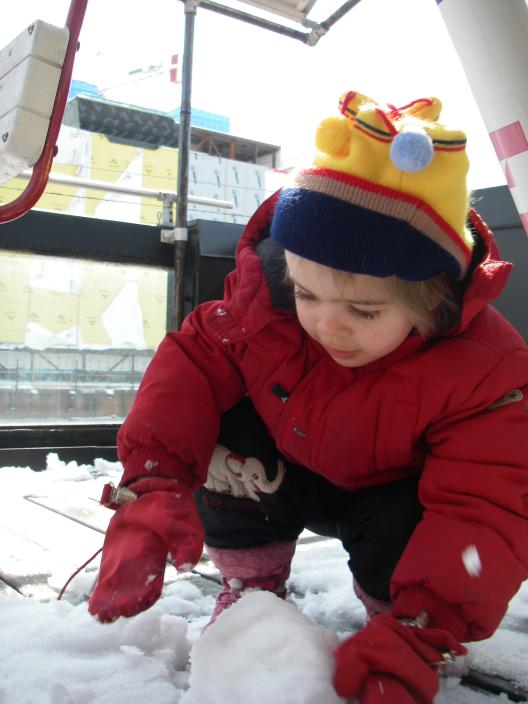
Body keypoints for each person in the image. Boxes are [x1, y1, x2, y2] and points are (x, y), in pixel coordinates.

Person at [88, 90, 528, 703]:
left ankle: (400, 624)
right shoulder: (262, 313)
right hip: (282, 473)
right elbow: (189, 366)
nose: (327, 326)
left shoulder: (484, 371)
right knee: (224, 432)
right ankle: (252, 585)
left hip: (390, 498)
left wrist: (430, 621)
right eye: (306, 293)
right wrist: (153, 482)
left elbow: (483, 505)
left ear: (430, 301)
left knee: (407, 530)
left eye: (363, 310)